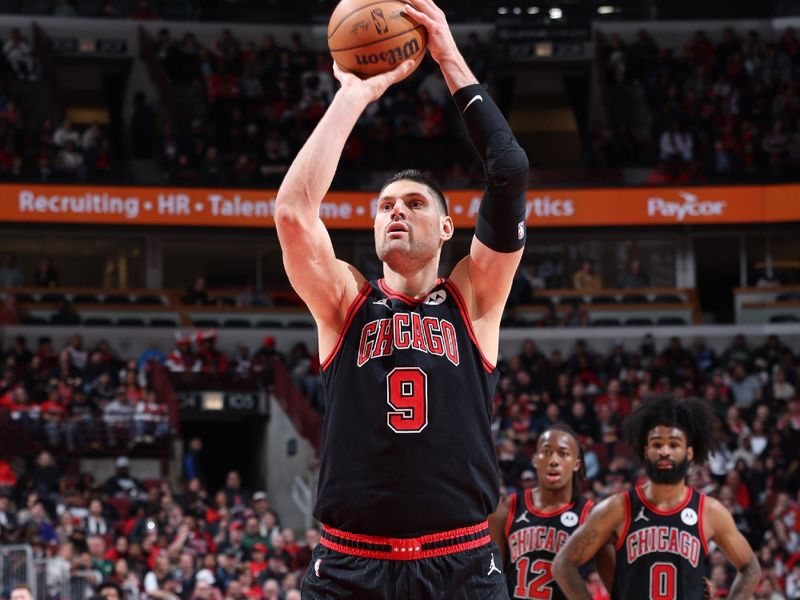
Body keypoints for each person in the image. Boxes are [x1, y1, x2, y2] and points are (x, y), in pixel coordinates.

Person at [274, 0, 528, 596]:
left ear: (446, 229)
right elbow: (291, 213)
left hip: (460, 563)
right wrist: (354, 96)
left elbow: (509, 170)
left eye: (415, 204)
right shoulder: (344, 304)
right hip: (348, 566)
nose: (396, 212)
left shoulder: (475, 297)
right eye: (386, 206)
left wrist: (447, 55)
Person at [552, 396, 761, 599]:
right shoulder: (617, 508)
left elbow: (750, 568)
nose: (665, 451)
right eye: (657, 444)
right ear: (645, 452)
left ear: (688, 453)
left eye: (674, 444)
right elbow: (563, 564)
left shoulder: (709, 511)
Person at [489, 424, 611, 599]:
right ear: (535, 460)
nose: (554, 460)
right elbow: (491, 576)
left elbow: (615, 584)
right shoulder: (506, 508)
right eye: (546, 452)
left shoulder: (592, 516)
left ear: (577, 463)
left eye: (563, 453)